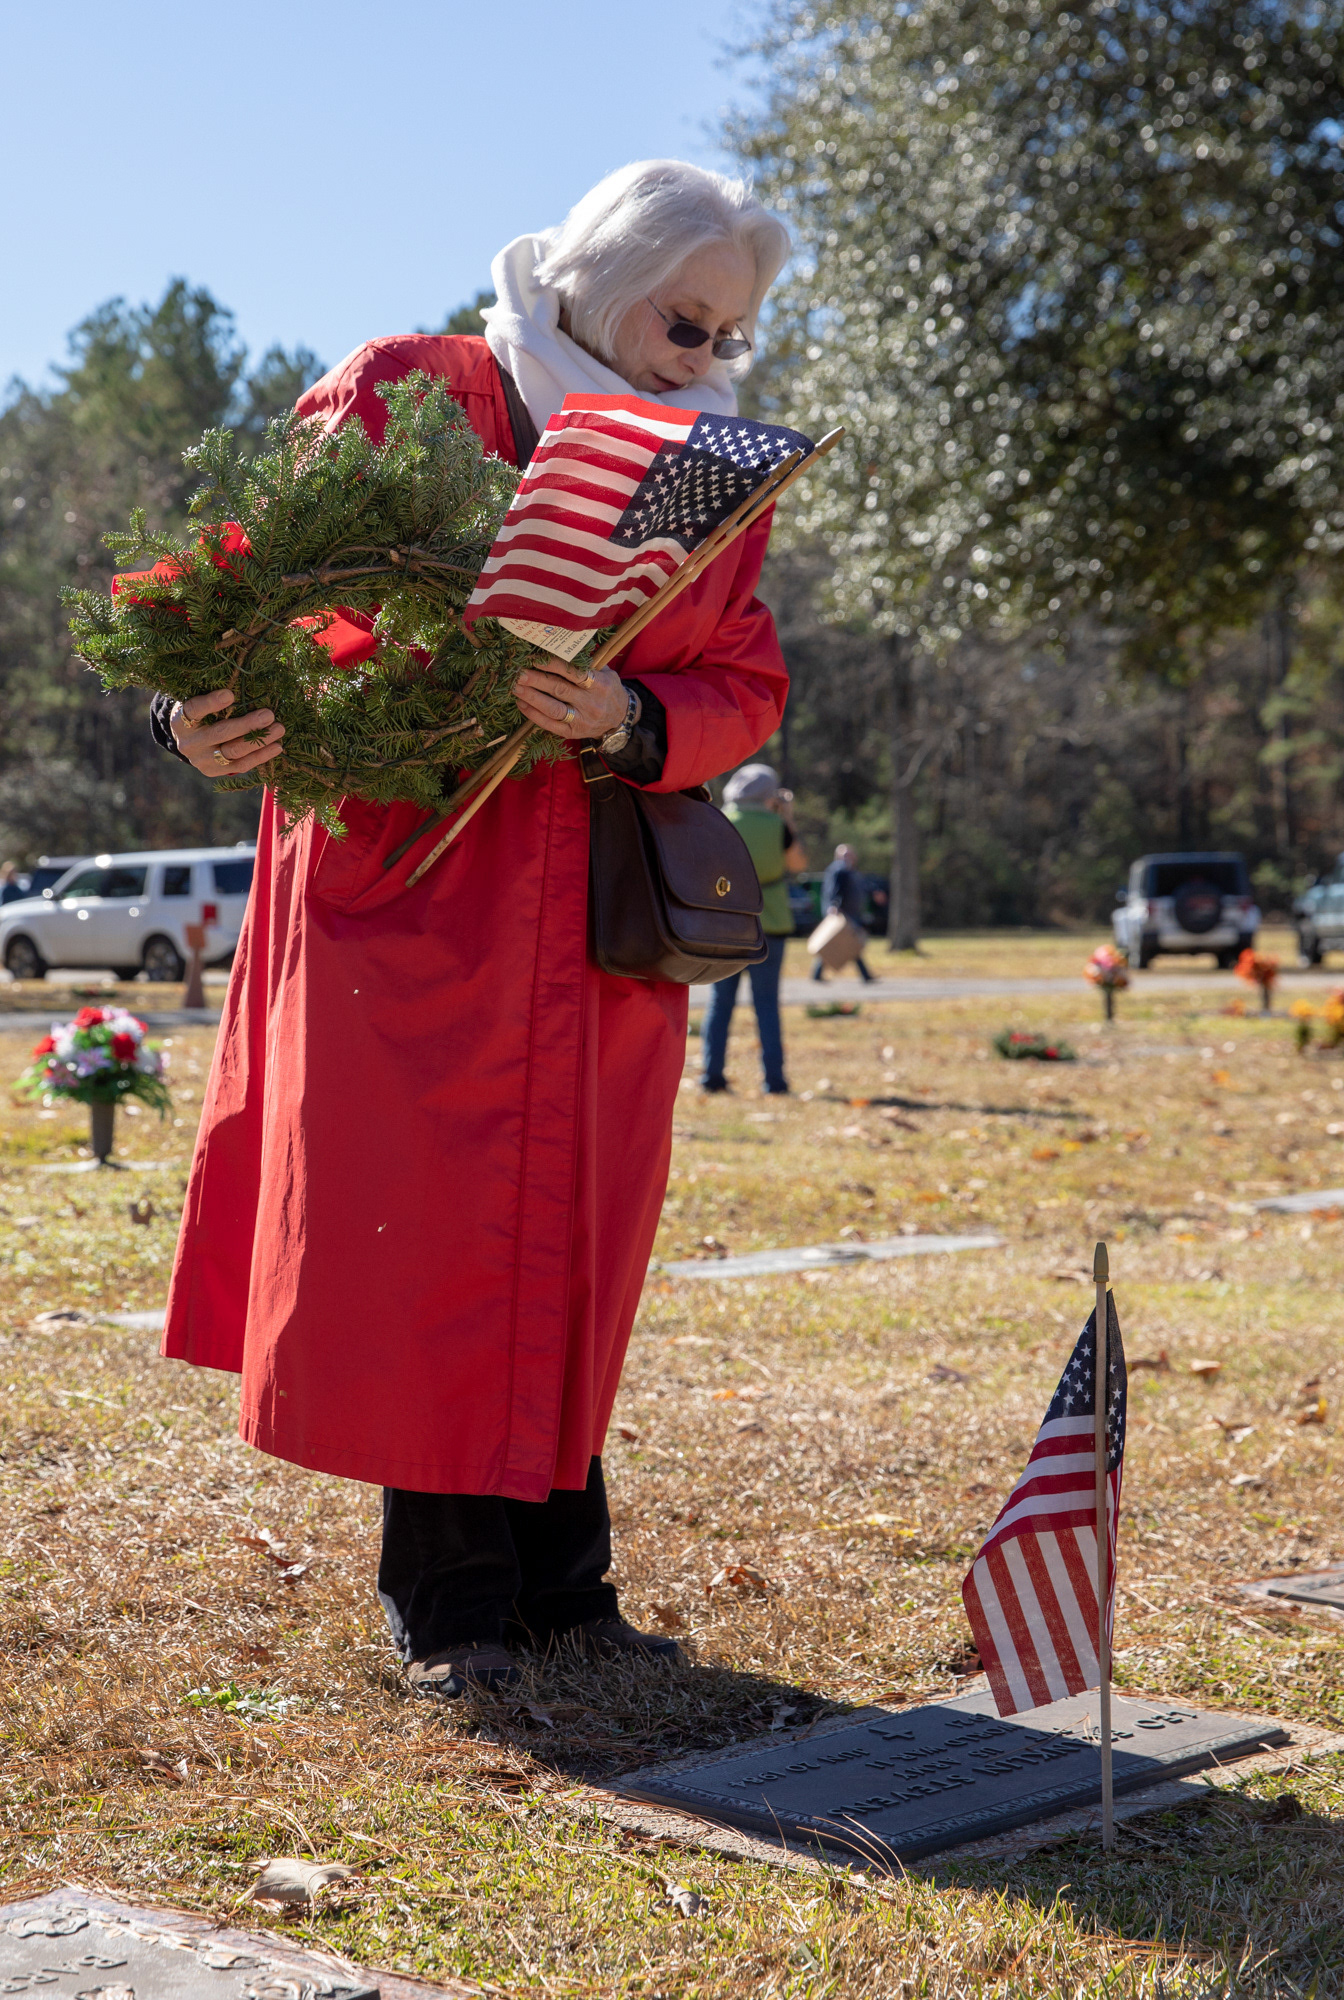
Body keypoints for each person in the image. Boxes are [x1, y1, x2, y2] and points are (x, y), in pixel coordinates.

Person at [150, 161, 792, 1698]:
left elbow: (751, 683)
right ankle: (449, 1608)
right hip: (414, 898)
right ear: (595, 274)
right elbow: (250, 587)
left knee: (570, 1240)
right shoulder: (413, 392)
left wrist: (637, 713)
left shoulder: (711, 469)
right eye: (684, 321)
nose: (702, 358)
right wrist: (190, 706)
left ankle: (569, 1594)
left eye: (728, 338)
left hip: (592, 926)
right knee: (430, 1243)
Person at [700, 765, 806, 1095]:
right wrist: (786, 817)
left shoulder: (719, 820)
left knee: (720, 1003)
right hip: (770, 922)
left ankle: (712, 1076)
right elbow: (798, 865)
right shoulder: (777, 825)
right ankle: (774, 1081)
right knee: (767, 1005)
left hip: (726, 922)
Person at [811, 842, 877, 983]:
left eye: (849, 854)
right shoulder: (839, 869)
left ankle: (817, 974)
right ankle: (865, 975)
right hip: (842, 913)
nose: (848, 857)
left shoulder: (849, 870)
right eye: (845, 855)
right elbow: (834, 889)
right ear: (838, 856)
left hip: (848, 912)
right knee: (848, 941)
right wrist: (834, 905)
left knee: (842, 942)